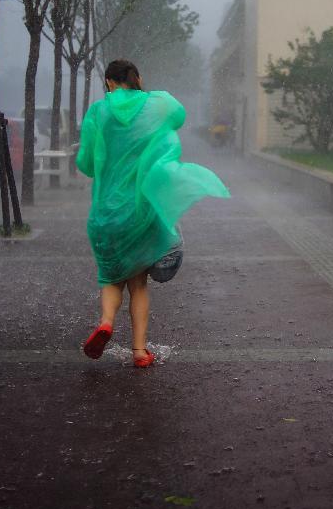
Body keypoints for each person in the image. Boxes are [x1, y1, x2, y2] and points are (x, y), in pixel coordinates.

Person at [75, 60, 230, 367]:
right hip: (141, 212)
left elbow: (86, 165)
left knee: (110, 277)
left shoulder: (98, 112)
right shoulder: (156, 105)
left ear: (108, 82)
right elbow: (179, 115)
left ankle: (106, 322)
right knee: (138, 284)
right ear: (137, 79)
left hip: (106, 215)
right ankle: (139, 351)